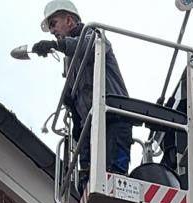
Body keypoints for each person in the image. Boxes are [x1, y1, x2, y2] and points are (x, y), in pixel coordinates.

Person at [32, 2, 132, 176]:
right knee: (87, 177)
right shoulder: (70, 62)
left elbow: (88, 47)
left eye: (53, 24)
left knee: (114, 175)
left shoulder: (94, 35)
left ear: (69, 20)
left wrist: (56, 45)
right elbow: (77, 95)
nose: (52, 31)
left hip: (114, 114)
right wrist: (71, 105)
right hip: (90, 125)